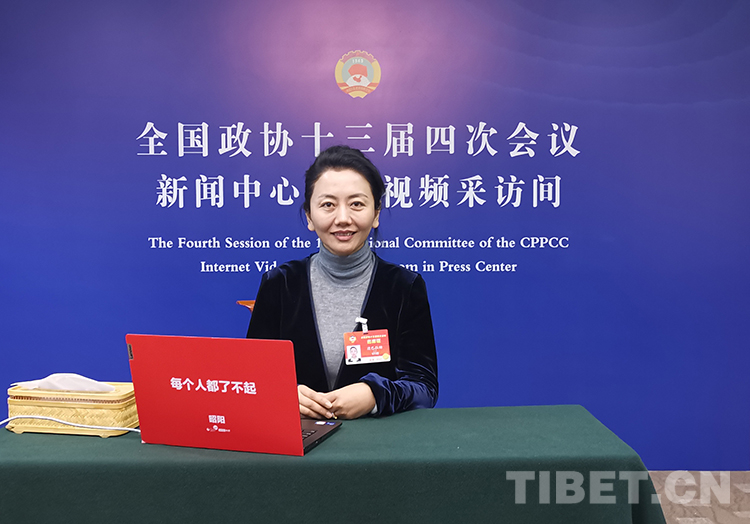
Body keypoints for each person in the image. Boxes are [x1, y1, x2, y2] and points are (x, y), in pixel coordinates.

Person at [246, 145, 438, 419]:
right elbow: (252, 382)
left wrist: (375, 395)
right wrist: (283, 394)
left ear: (376, 213)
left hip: (379, 443)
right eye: (328, 205)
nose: (343, 218)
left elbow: (424, 388)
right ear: (309, 216)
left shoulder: (404, 286)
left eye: (357, 204)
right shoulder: (280, 283)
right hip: (297, 442)